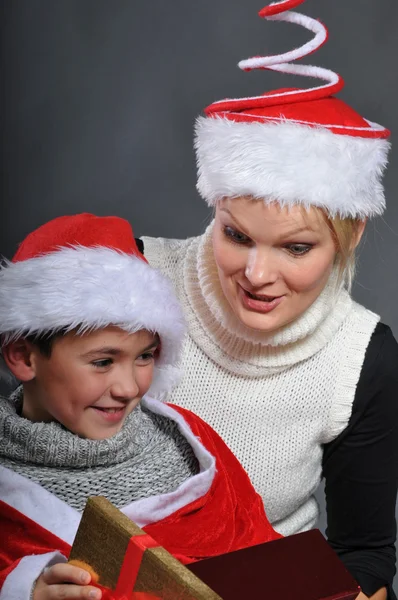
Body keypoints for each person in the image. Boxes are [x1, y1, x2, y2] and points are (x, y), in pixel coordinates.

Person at [140, 2, 398, 599]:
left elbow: (364, 553)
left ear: (350, 234)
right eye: (237, 235)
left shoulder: (363, 358)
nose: (258, 274)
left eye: (296, 247)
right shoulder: (132, 279)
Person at [0, 213, 280, 600]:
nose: (130, 387)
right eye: (102, 362)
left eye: (145, 356)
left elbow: (265, 553)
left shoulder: (191, 442)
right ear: (23, 357)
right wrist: (23, 590)